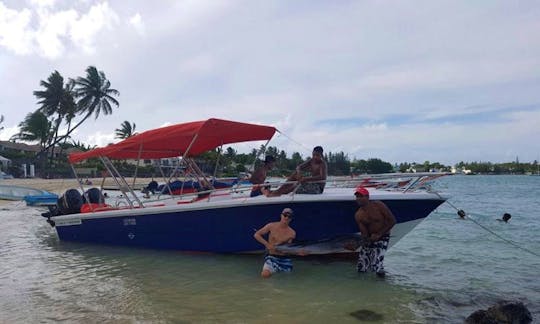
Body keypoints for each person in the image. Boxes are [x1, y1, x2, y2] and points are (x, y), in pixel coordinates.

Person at [353, 186, 396, 278]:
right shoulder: (359, 214)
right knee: (361, 266)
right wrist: (357, 245)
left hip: (383, 236)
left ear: (367, 197)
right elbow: (364, 235)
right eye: (357, 197)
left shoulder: (379, 205)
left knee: (377, 265)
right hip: (371, 238)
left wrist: (379, 234)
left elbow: (392, 221)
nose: (359, 199)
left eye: (361, 196)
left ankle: (380, 286)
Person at [253, 207, 296, 278]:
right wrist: (267, 245)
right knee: (265, 274)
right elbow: (257, 234)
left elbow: (287, 248)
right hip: (272, 256)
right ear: (281, 215)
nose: (286, 218)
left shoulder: (292, 233)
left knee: (285, 279)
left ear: (291, 219)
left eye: (289, 216)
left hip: (285, 258)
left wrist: (298, 252)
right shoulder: (271, 226)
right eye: (285, 215)